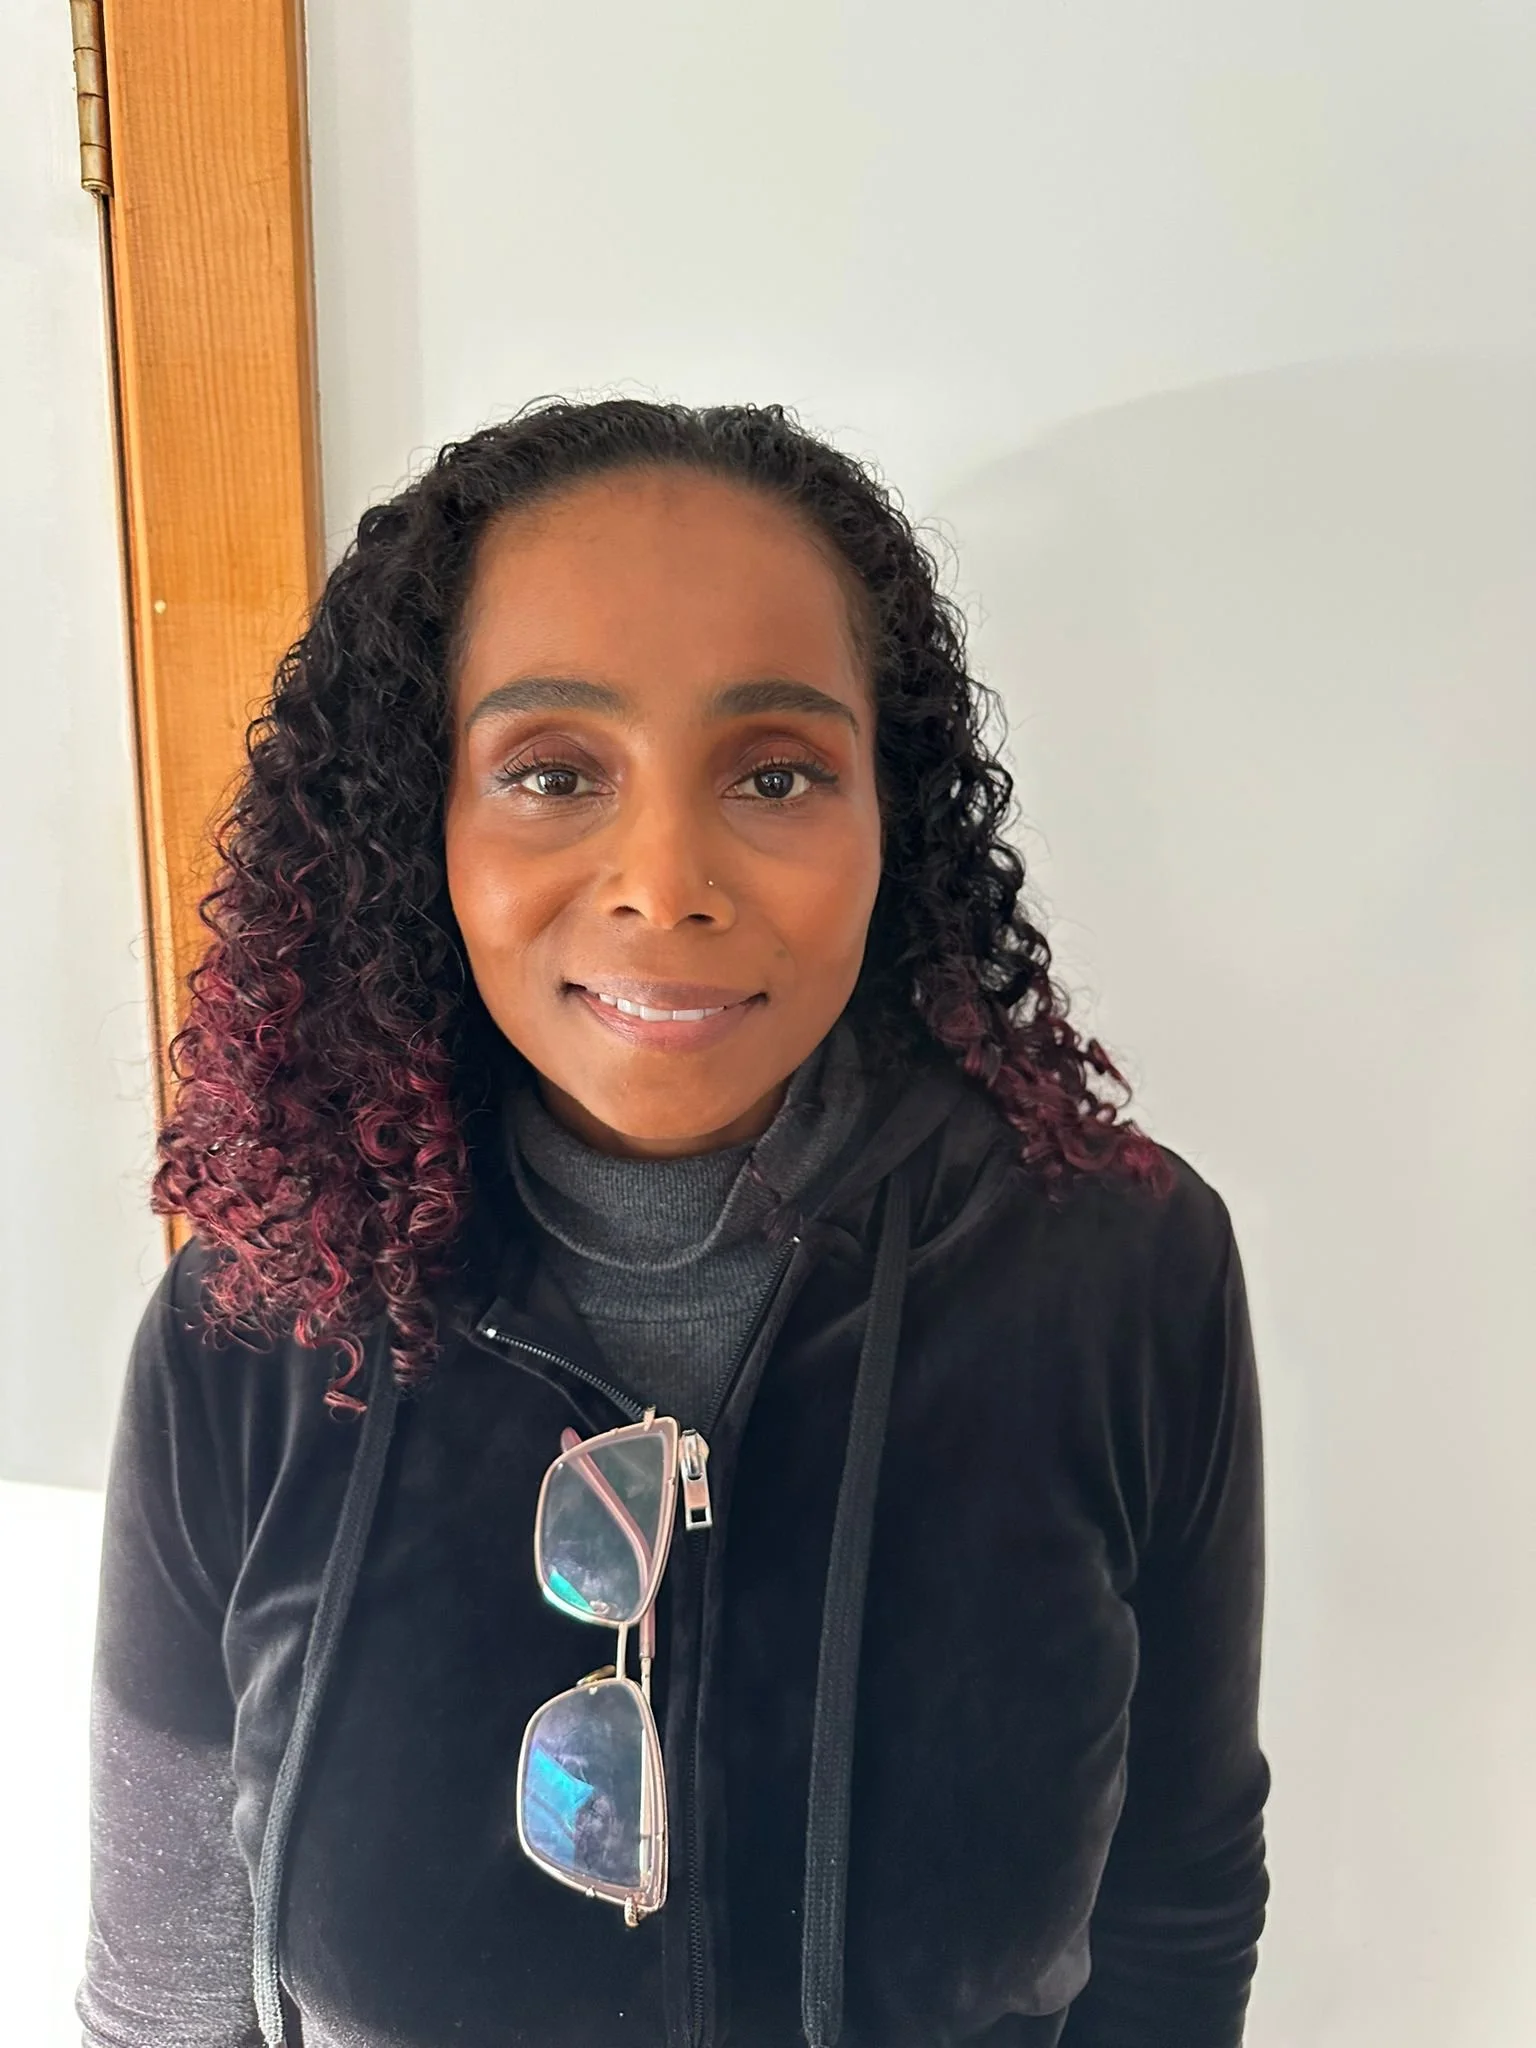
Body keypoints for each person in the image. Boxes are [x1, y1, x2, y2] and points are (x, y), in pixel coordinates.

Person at [76, 397, 1269, 2048]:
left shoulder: (1119, 1268)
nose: (665, 877)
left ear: (888, 819)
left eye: (775, 773)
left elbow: (1177, 1905)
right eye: (553, 771)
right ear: (424, 826)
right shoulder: (261, 1315)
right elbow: (166, 1991)